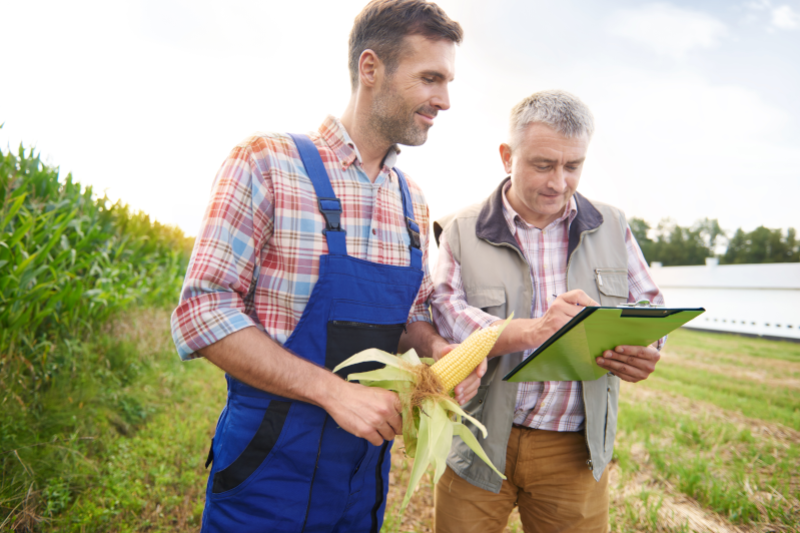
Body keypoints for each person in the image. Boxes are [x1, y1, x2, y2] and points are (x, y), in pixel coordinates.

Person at [169, 2, 475, 531]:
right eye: (430, 78)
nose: (444, 101)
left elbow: (412, 309)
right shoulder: (267, 162)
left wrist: (435, 350)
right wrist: (333, 392)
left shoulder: (412, 201)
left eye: (448, 82)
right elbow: (202, 313)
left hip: (360, 479)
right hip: (267, 472)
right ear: (371, 68)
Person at [430, 90, 666, 533]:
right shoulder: (461, 230)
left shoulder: (613, 226)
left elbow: (650, 305)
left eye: (572, 166)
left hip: (573, 451)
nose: (559, 182)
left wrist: (646, 345)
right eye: (543, 165)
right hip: (479, 440)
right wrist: (531, 331)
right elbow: (443, 309)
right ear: (507, 157)